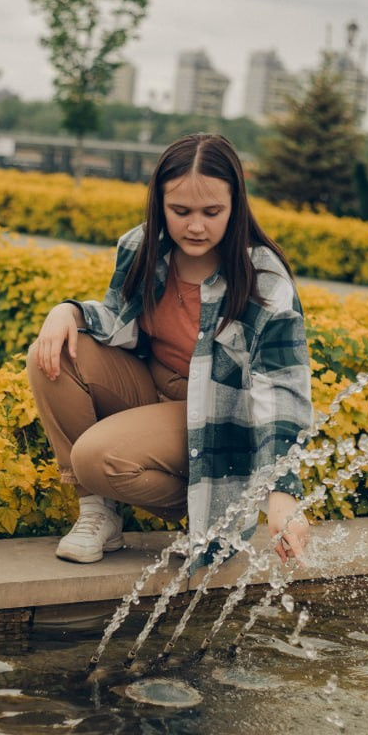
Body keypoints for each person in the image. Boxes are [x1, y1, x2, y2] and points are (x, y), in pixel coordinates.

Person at [27, 133, 312, 566]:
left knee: (94, 458)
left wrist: (281, 491)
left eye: (212, 212)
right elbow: (115, 320)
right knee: (52, 354)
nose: (195, 226)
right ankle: (98, 512)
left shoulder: (263, 279)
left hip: (216, 417)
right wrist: (66, 312)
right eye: (180, 211)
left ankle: (217, 506)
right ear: (159, 204)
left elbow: (283, 389)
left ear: (236, 207)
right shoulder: (142, 247)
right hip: (151, 392)